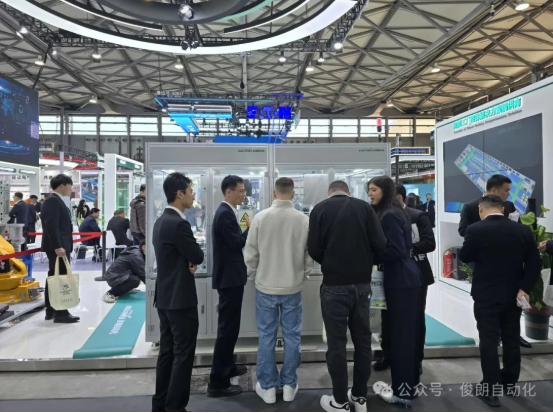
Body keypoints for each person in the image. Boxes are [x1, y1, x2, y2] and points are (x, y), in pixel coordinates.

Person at [308, 180, 387, 413]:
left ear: (329, 192)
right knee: (363, 341)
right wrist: (364, 261)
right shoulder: (364, 208)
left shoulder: (319, 209)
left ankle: (340, 400)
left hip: (333, 285)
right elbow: (381, 243)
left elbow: (313, 248)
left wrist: (331, 262)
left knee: (336, 344)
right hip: (362, 285)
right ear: (348, 192)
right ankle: (360, 397)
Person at [458, 195, 540, 407]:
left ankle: (490, 389)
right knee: (511, 337)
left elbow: (465, 256)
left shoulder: (475, 230)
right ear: (502, 209)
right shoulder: (522, 230)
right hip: (513, 294)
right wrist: (524, 288)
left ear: (480, 209)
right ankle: (510, 383)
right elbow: (534, 263)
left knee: (488, 339)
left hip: (486, 294)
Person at [244, 177, 313, 405]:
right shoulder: (303, 220)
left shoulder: (261, 218)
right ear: (293, 194)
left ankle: (268, 388)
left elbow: (251, 253)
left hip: (265, 286)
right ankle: (289, 384)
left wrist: (253, 275)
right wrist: (303, 274)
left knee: (267, 336)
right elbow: (309, 254)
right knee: (292, 336)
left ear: (274, 193)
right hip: (293, 287)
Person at [458, 174, 531, 349]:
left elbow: (517, 227)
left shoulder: (509, 206)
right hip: (484, 262)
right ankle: (492, 336)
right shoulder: (471, 207)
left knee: (510, 304)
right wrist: (485, 232)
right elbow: (463, 230)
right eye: (506, 190)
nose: (508, 194)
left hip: (508, 261)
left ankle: (512, 335)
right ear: (494, 189)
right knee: (488, 302)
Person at [152, 172, 205, 412]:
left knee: (168, 353)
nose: (193, 195)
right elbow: (197, 255)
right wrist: (191, 260)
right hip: (180, 299)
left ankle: (161, 404)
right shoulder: (179, 223)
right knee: (183, 354)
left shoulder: (161, 221)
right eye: (190, 191)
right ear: (179, 194)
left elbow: (175, 256)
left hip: (165, 296)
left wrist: (188, 261)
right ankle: (175, 407)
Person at [368, 176, 422, 405]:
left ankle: (402, 392)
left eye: (374, 189)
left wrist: (369, 256)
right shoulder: (396, 211)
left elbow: (396, 250)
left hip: (400, 280)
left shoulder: (389, 215)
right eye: (369, 190)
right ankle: (408, 386)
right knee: (406, 336)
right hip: (406, 278)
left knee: (401, 337)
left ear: (385, 190)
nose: (370, 193)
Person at [207, 175, 251, 398]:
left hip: (231, 278)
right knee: (227, 329)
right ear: (228, 192)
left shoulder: (227, 212)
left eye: (244, 191)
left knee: (231, 327)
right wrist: (250, 229)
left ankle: (228, 366)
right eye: (240, 191)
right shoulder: (224, 213)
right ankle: (218, 382)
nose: (243, 195)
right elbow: (236, 243)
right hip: (229, 279)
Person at [41, 174, 79, 324]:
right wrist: (58, 246)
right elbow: (51, 225)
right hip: (58, 247)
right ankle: (61, 313)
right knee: (60, 276)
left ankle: (51, 309)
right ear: (62, 185)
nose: (71, 189)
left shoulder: (57, 200)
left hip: (60, 245)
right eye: (70, 186)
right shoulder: (52, 201)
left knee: (54, 276)